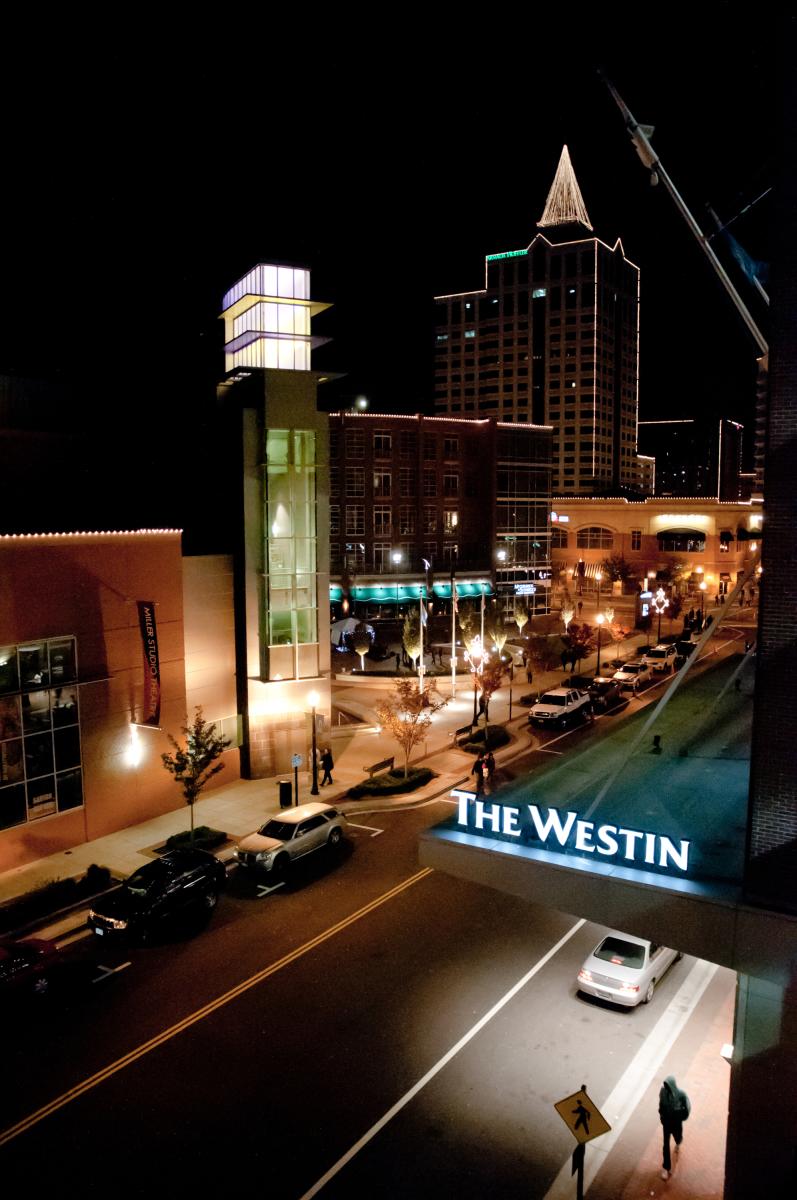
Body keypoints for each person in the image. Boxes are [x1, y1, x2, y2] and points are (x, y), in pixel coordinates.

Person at [658, 1075, 690, 1180]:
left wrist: (680, 1116)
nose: (666, 1087)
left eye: (668, 1085)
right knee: (665, 1145)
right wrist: (662, 1116)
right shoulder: (663, 1093)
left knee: (678, 1137)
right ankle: (666, 1167)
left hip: (676, 1124)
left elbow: (687, 1109)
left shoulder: (681, 1095)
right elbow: (661, 1106)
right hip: (666, 1124)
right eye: (665, 1085)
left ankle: (678, 1142)